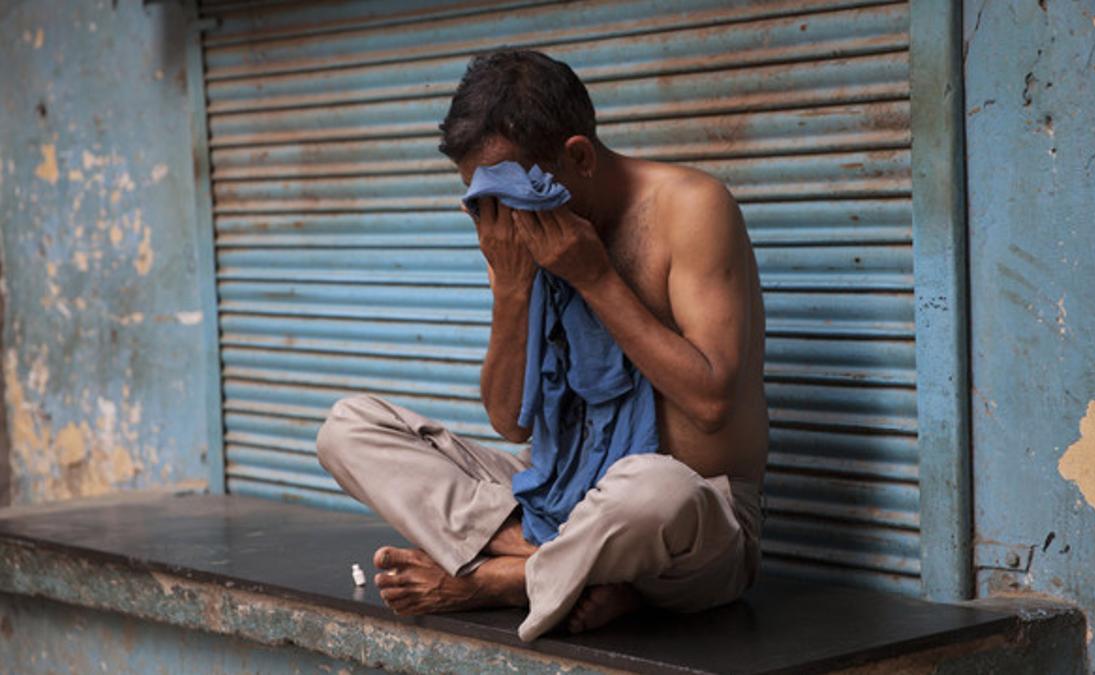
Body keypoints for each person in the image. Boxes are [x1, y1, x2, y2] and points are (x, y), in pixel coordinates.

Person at [316, 49, 769, 641]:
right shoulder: (517, 228)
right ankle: (575, 570)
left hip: (691, 530)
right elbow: (510, 423)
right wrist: (510, 289)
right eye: (481, 197)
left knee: (657, 490)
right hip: (558, 495)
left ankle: (504, 579)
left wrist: (596, 278)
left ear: (577, 157)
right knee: (347, 428)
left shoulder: (692, 207)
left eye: (512, 194)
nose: (501, 217)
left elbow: (711, 404)